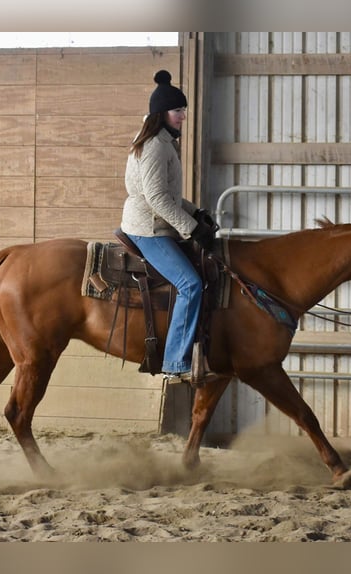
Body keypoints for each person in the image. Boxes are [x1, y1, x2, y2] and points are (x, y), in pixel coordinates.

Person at [120, 70, 218, 385]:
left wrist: (195, 211)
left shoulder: (160, 141)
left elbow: (169, 195)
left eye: (183, 110)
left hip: (158, 222)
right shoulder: (155, 147)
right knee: (190, 284)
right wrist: (193, 228)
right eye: (179, 111)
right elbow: (157, 199)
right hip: (147, 228)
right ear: (163, 113)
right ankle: (175, 363)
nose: (183, 117)